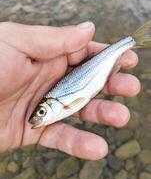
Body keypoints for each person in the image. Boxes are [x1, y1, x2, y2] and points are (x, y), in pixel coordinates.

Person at [0, 21, 140, 160]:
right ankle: (131, 41)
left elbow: (78, 101)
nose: (39, 117)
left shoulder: (63, 106)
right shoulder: (58, 108)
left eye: (41, 112)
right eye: (41, 113)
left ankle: (131, 41)